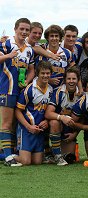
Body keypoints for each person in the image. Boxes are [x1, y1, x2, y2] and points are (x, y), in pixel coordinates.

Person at [0, 18, 35, 166]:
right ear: (15, 29)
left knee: (14, 123)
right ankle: (9, 158)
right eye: (22, 29)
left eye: (27, 30)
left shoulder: (29, 49)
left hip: (21, 91)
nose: (24, 32)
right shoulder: (6, 43)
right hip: (6, 89)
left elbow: (32, 70)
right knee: (6, 123)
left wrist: (27, 81)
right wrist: (8, 56)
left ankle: (6, 154)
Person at [15, 61, 53, 165]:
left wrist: (46, 121)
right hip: (26, 129)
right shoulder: (29, 90)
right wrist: (28, 127)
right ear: (37, 74)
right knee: (25, 162)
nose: (45, 76)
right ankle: (8, 156)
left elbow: (50, 110)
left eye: (48, 73)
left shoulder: (50, 90)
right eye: (43, 73)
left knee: (37, 162)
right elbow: (18, 111)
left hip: (39, 130)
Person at [45, 67, 81, 166]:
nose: (71, 81)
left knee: (69, 157)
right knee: (54, 122)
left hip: (69, 130)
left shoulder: (81, 95)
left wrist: (75, 134)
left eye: (74, 79)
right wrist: (62, 117)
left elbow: (83, 119)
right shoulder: (58, 92)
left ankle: (53, 151)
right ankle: (56, 155)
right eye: (69, 79)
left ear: (78, 80)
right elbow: (48, 113)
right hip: (56, 126)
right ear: (65, 80)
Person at [36, 24, 75, 89]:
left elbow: (73, 71)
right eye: (51, 36)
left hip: (62, 89)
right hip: (45, 88)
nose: (54, 38)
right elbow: (36, 74)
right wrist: (49, 80)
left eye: (56, 36)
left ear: (60, 37)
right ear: (47, 38)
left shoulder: (68, 53)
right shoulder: (41, 53)